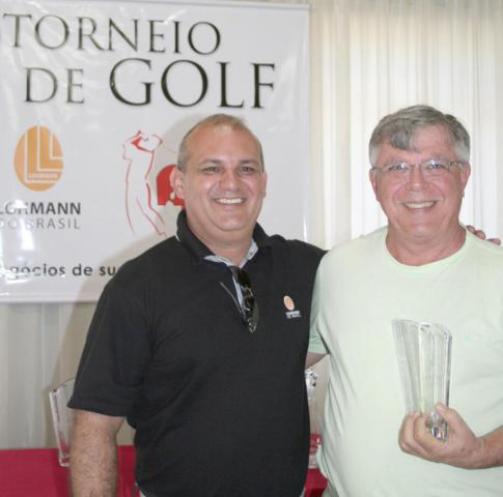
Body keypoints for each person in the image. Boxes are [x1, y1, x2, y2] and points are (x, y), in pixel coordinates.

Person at [69, 114, 324, 497]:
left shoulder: (307, 269)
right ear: (178, 183)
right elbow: (95, 424)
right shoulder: (137, 286)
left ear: (264, 182)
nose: (231, 183)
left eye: (246, 169)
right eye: (211, 168)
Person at [308, 105, 503, 496]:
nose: (417, 184)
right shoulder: (338, 268)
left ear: (463, 175)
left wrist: (478, 451)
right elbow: (287, 359)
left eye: (435, 165)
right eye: (397, 167)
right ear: (374, 182)